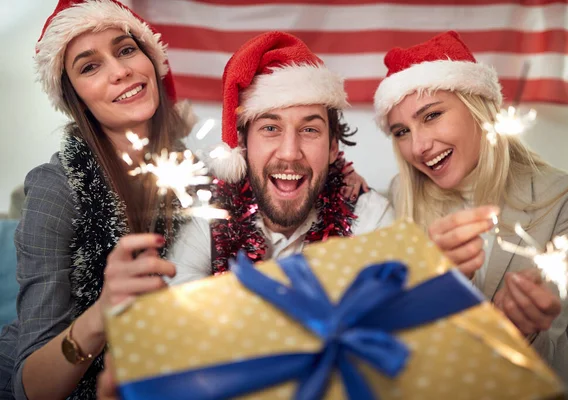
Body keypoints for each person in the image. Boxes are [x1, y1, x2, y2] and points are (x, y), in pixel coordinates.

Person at [96, 30, 395, 399]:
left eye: (310, 130)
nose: (290, 152)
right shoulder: (209, 216)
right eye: (270, 128)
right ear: (243, 144)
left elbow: (386, 333)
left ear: (334, 148)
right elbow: (177, 315)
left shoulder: (371, 216)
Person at [373, 31, 568, 399]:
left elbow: (546, 340)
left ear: (479, 108)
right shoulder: (401, 195)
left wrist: (522, 325)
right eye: (402, 131)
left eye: (431, 116)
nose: (418, 146)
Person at [0, 0, 197, 399]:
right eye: (90, 66)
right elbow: (30, 388)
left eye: (126, 50)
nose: (121, 70)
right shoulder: (55, 189)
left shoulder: (193, 175)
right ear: (75, 97)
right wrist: (104, 312)